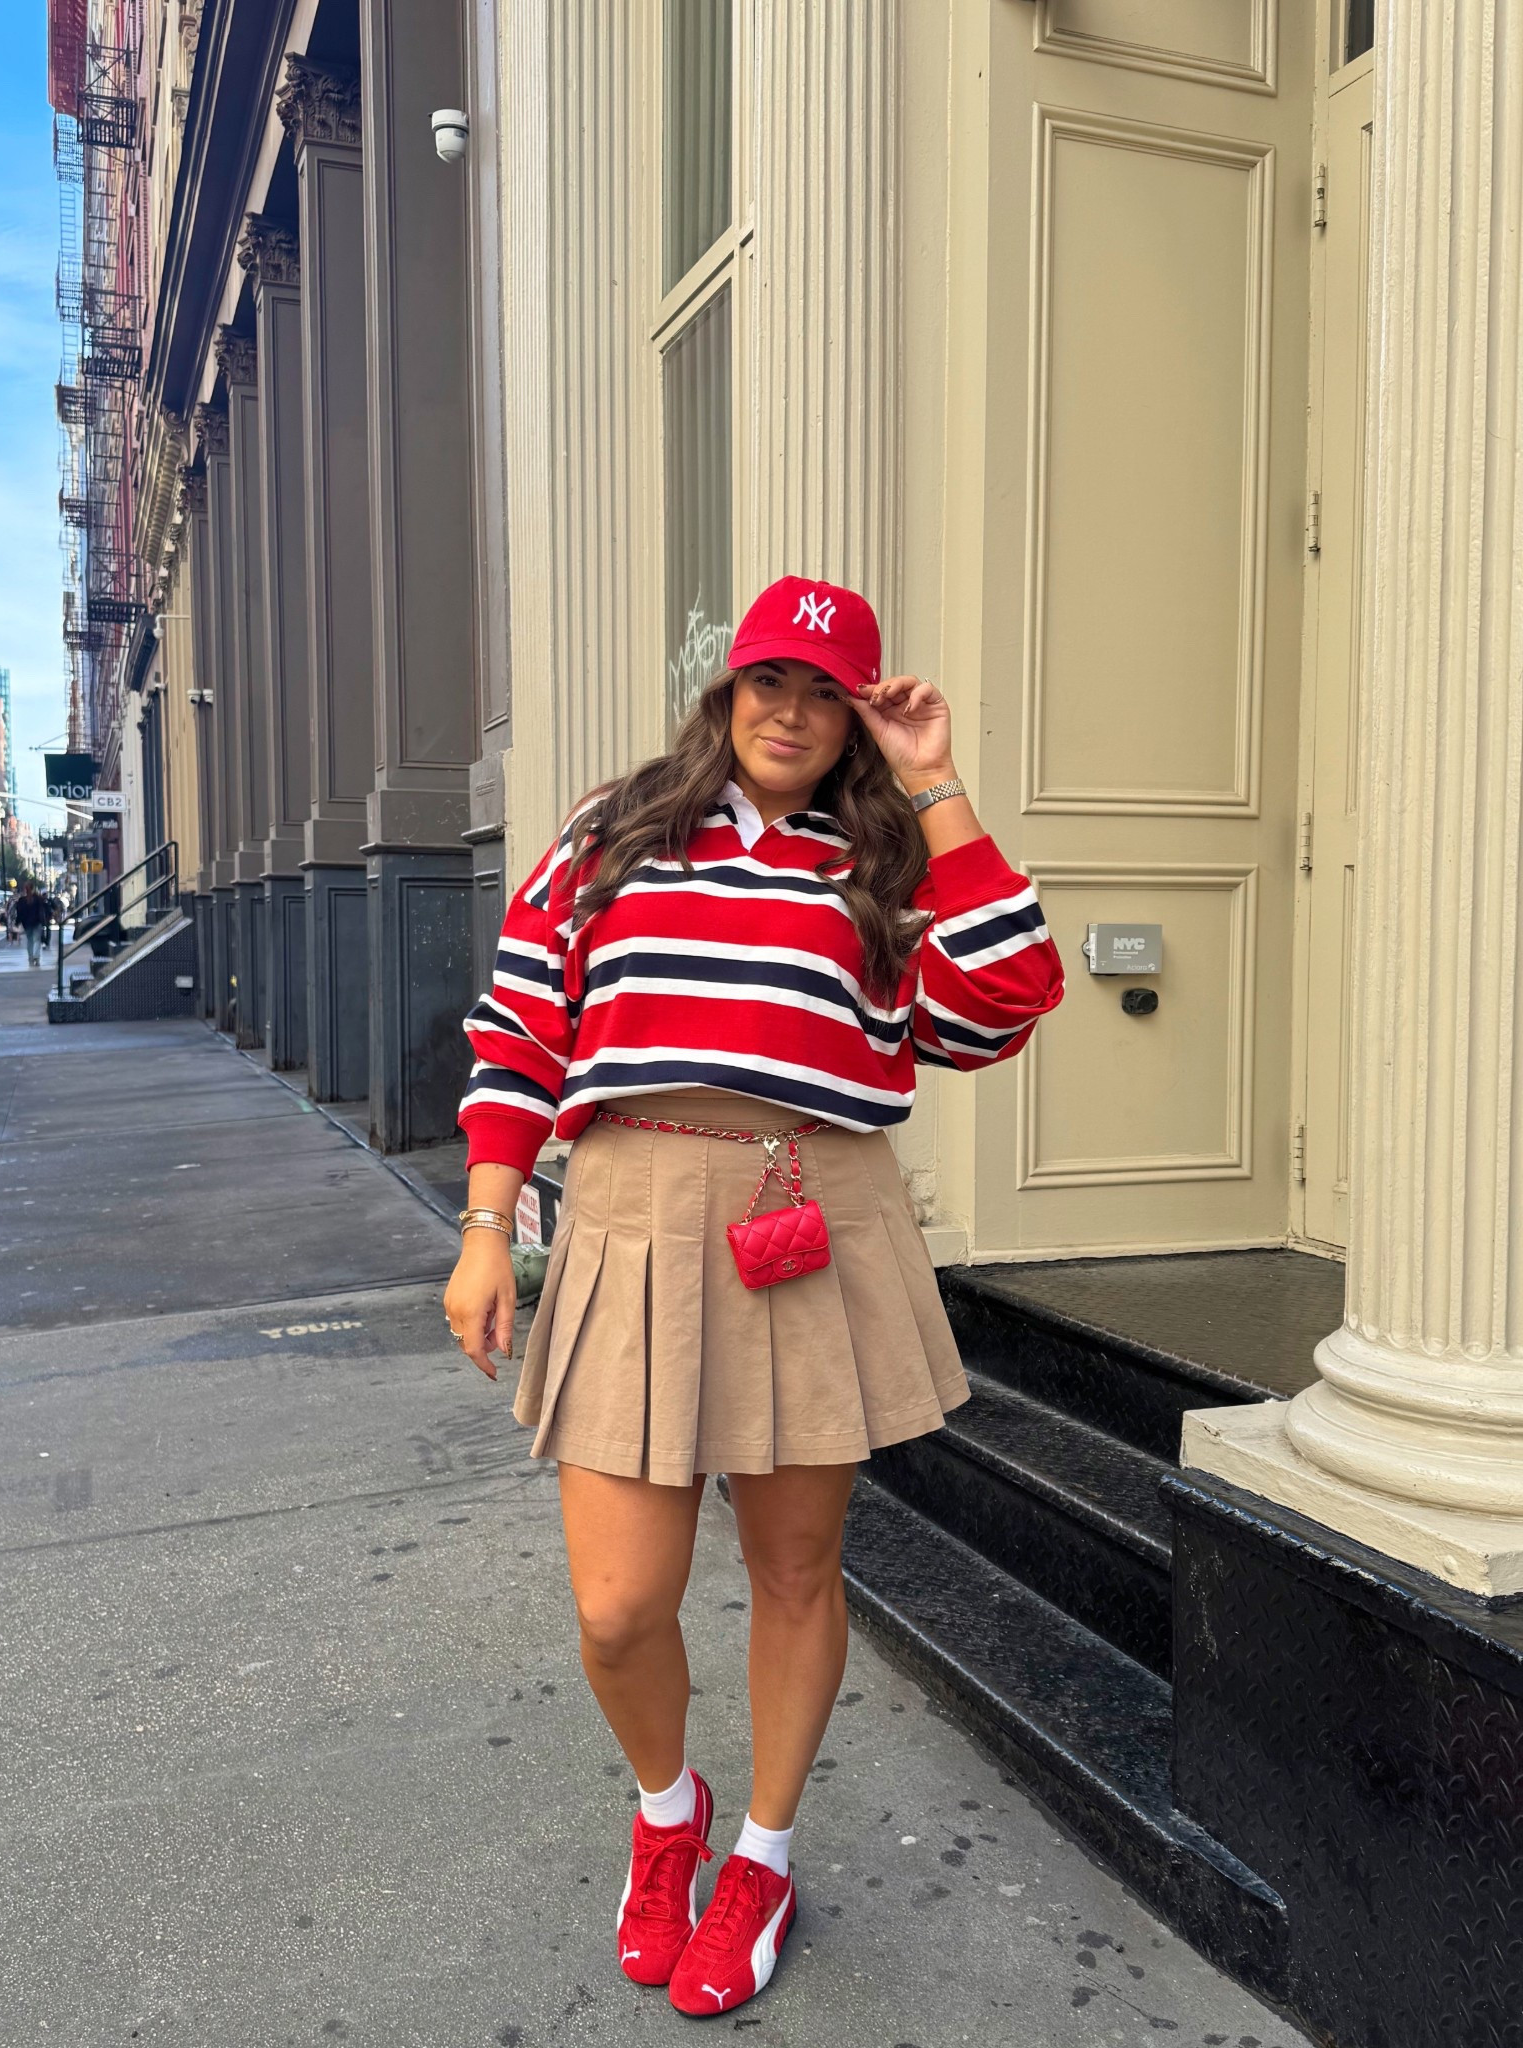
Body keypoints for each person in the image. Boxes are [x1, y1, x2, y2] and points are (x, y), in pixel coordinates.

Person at [443, 576, 1064, 2019]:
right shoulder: (614, 832)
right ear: (726, 692)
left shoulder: (884, 858)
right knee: (618, 1604)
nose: (791, 711)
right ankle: (669, 1814)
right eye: (769, 681)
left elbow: (1011, 1001)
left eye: (826, 691)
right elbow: (525, 1021)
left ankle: (764, 1857)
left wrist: (942, 789)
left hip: (809, 1208)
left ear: (857, 716)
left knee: (794, 1569)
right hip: (631, 1213)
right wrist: (487, 1223)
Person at [14, 881, 50, 968]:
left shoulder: (22, 900)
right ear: (33, 888)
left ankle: (30, 957)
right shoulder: (38, 899)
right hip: (37, 922)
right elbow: (44, 909)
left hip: (26, 923)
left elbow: (19, 913)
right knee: (37, 940)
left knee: (30, 940)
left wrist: (17, 922)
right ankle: (36, 957)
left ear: (25, 889)